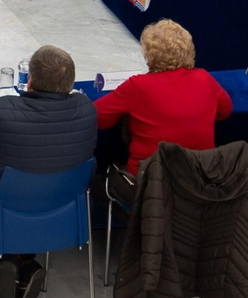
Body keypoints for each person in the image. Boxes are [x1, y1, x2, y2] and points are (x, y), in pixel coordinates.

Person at [0, 44, 96, 298]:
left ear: (30, 80)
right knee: (27, 190)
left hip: (0, 211)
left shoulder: (3, 112)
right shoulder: (87, 110)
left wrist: (1, 102)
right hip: (61, 212)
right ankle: (25, 263)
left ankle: (6, 260)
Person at [95, 20, 231, 197]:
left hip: (149, 185)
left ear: (149, 54)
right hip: (199, 182)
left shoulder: (138, 86)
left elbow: (97, 117)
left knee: (99, 183)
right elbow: (225, 110)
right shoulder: (205, 78)